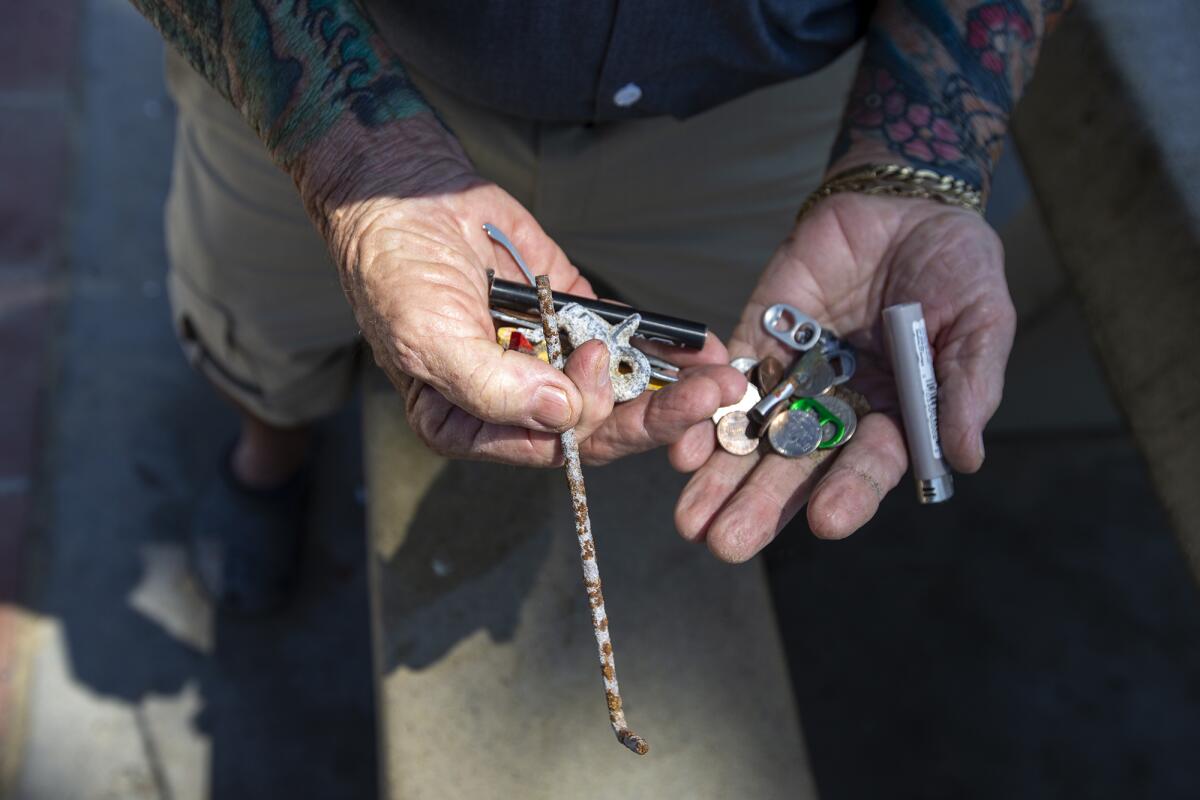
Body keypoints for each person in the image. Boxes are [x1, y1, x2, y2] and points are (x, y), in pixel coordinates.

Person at [130, 0, 1070, 612]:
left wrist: (917, 159)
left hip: (769, 114)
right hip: (328, 59)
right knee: (257, 315)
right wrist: (354, 154)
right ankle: (270, 452)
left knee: (710, 376)